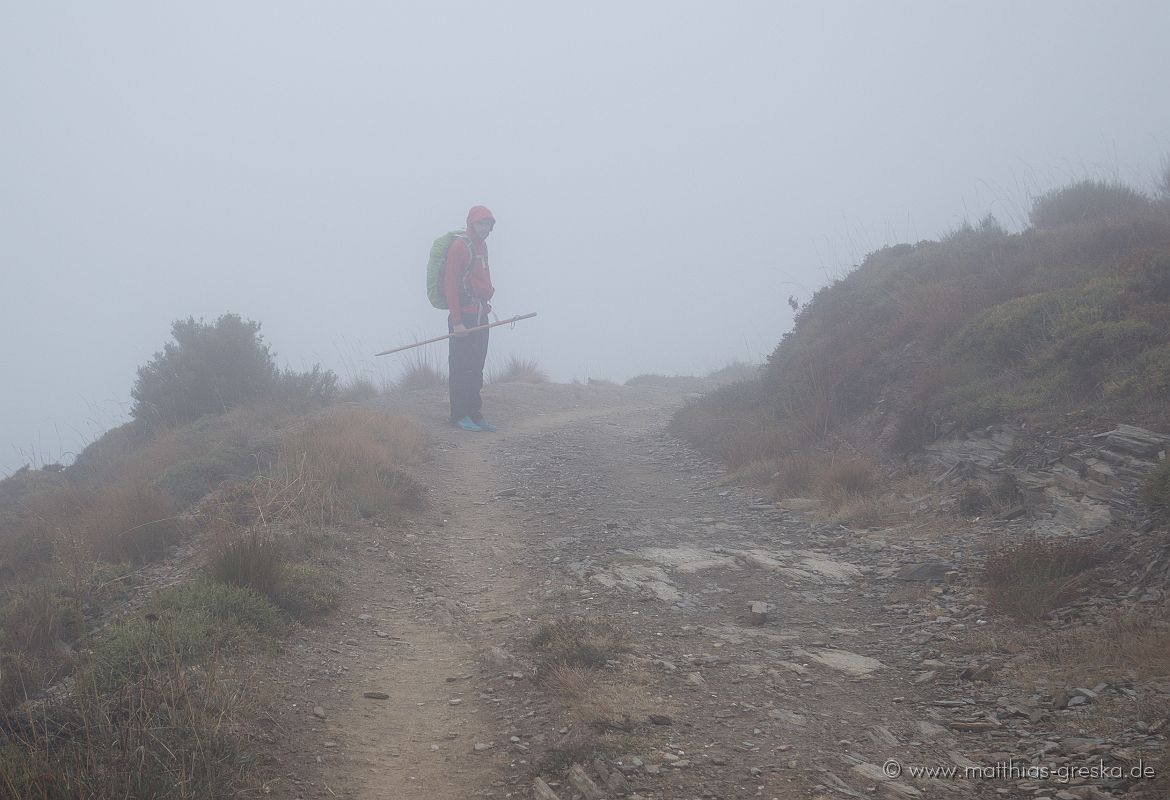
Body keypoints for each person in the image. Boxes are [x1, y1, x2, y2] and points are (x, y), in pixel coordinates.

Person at [445, 205, 497, 432]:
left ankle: (474, 413)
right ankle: (459, 415)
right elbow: (450, 285)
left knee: (477, 367)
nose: (485, 228)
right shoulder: (459, 246)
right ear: (471, 223)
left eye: (488, 224)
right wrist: (456, 321)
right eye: (482, 223)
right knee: (461, 367)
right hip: (463, 316)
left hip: (481, 315)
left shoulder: (482, 246)